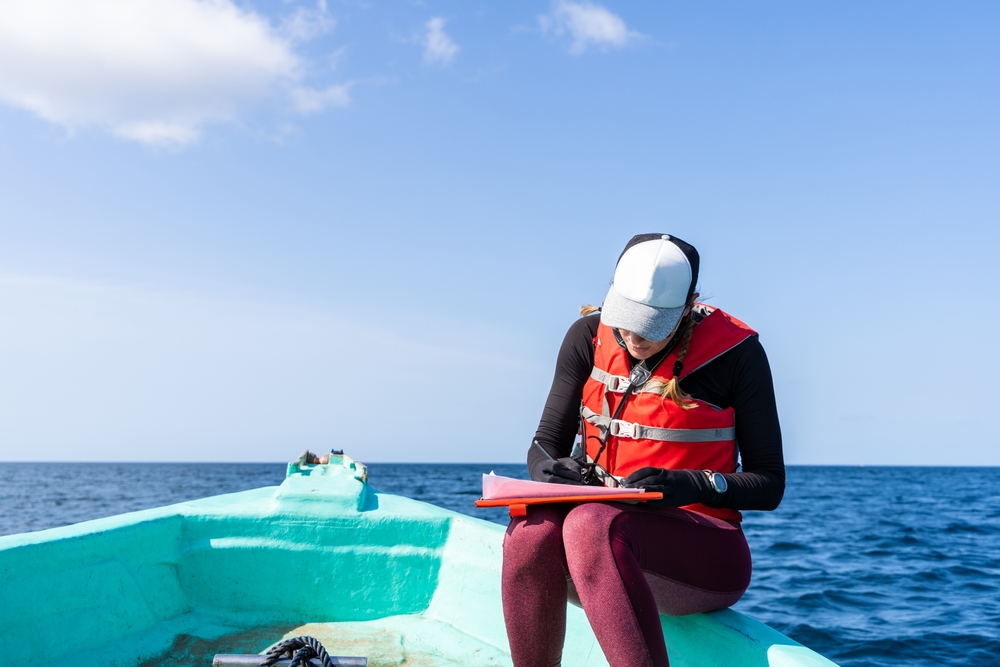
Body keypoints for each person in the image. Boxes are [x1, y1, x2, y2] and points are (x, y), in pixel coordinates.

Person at [501, 233, 785, 667]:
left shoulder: (739, 355)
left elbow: (769, 484)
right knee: (531, 531)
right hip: (599, 544)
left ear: (687, 305)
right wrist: (547, 470)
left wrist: (691, 484)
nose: (634, 336)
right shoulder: (586, 336)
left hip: (704, 553)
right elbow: (543, 444)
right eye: (627, 318)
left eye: (652, 324)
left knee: (590, 526)